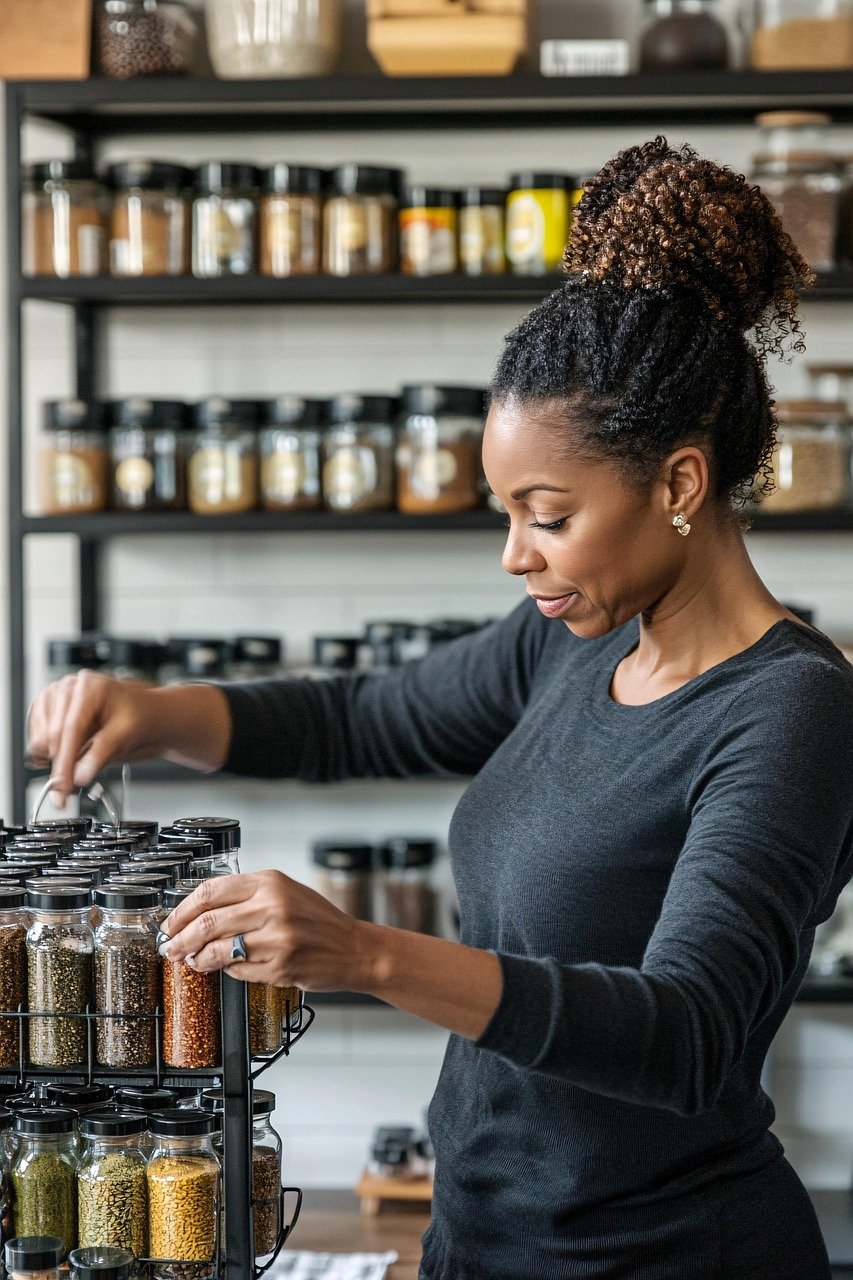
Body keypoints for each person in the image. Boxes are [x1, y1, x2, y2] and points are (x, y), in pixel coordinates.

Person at [28, 138, 853, 1279]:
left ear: (678, 483)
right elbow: (361, 717)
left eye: (548, 513)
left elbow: (687, 1032)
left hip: (663, 1256)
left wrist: (365, 952)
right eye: (504, 511)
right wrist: (157, 710)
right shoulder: (576, 633)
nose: (517, 554)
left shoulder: (791, 711)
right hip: (480, 1240)